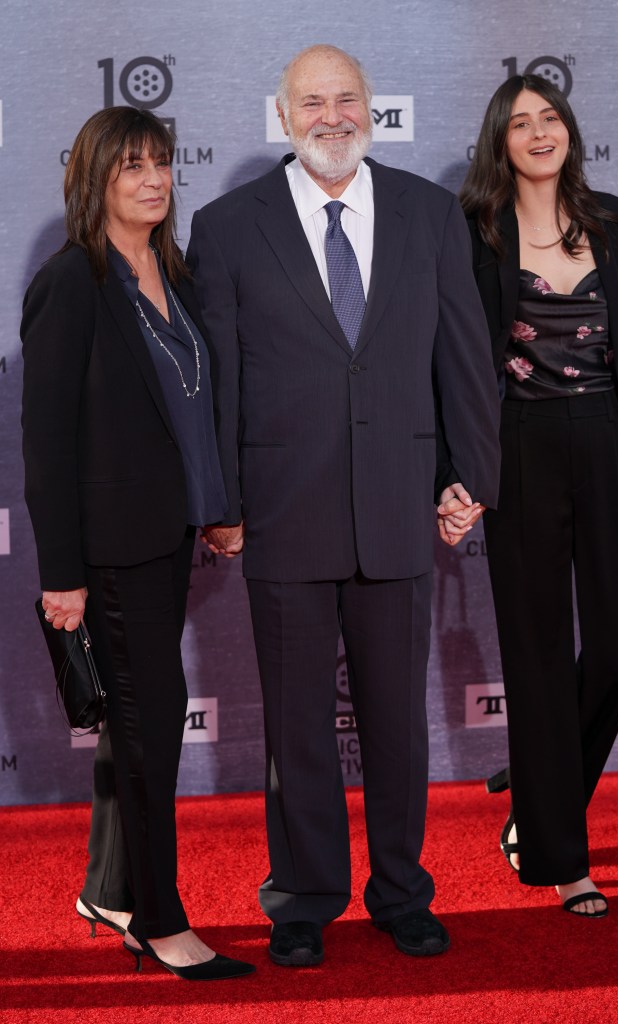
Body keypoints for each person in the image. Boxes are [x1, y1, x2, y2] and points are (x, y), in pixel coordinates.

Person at [187, 44, 500, 965]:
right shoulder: (228, 224)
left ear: (372, 109)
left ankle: (402, 892)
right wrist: (225, 502)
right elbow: (221, 379)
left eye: (347, 99)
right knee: (295, 726)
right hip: (281, 510)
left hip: (402, 505)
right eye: (312, 102)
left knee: (399, 723)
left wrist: (470, 476)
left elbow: (464, 362)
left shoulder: (428, 213)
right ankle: (303, 899)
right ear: (282, 117)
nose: (332, 116)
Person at [21, 107, 254, 980]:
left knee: (142, 723)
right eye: (130, 167)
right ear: (94, 178)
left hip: (170, 539)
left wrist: (221, 505)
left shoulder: (177, 274)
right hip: (110, 550)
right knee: (151, 727)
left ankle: (111, 890)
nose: (152, 180)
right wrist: (62, 579)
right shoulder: (73, 281)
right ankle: (158, 920)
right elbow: (46, 441)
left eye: (160, 163)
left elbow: (196, 409)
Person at [459, 75, 618, 916]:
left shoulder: (616, 220)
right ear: (498, 141)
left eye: (550, 118)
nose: (539, 132)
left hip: (608, 443)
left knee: (615, 651)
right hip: (521, 452)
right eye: (520, 123)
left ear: (568, 129)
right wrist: (461, 467)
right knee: (536, 656)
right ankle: (561, 857)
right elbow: (463, 362)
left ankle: (538, 788)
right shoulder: (477, 233)